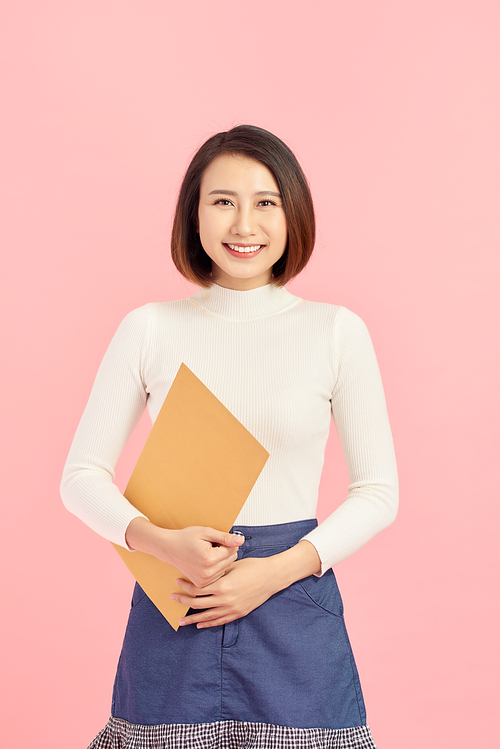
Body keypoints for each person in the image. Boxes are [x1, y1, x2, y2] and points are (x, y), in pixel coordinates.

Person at [61, 124, 398, 749]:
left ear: (293, 213)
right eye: (223, 201)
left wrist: (272, 574)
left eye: (265, 202)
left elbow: (378, 492)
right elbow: (79, 479)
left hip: (296, 598)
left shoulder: (335, 332)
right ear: (194, 215)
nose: (244, 224)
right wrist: (161, 544)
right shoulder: (150, 329)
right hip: (181, 595)